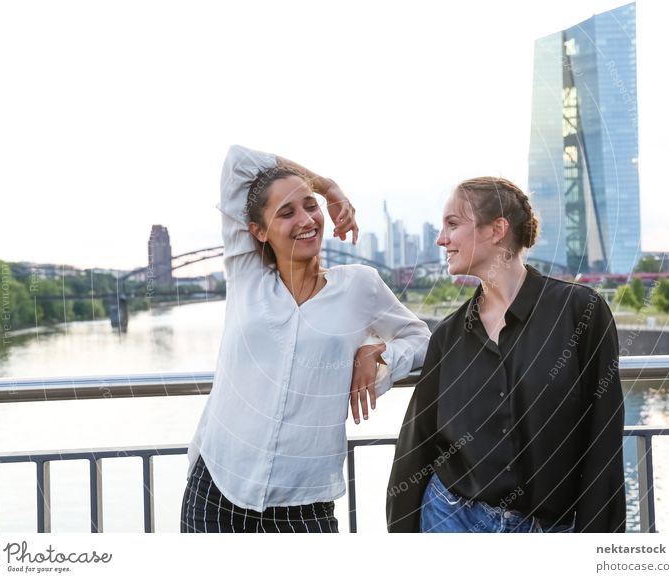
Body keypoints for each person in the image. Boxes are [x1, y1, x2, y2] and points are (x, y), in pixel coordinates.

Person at [181, 144, 430, 533]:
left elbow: (421, 339)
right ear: (258, 232)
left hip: (305, 505)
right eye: (287, 212)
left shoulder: (359, 286)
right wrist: (327, 186)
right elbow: (238, 159)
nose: (306, 219)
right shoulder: (246, 274)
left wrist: (379, 353)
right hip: (218, 490)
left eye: (311, 205)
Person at [385, 176, 626, 533]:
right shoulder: (448, 335)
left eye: (453, 224)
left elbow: (602, 435)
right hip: (450, 521)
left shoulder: (580, 312)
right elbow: (417, 443)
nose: (441, 239)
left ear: (497, 229)